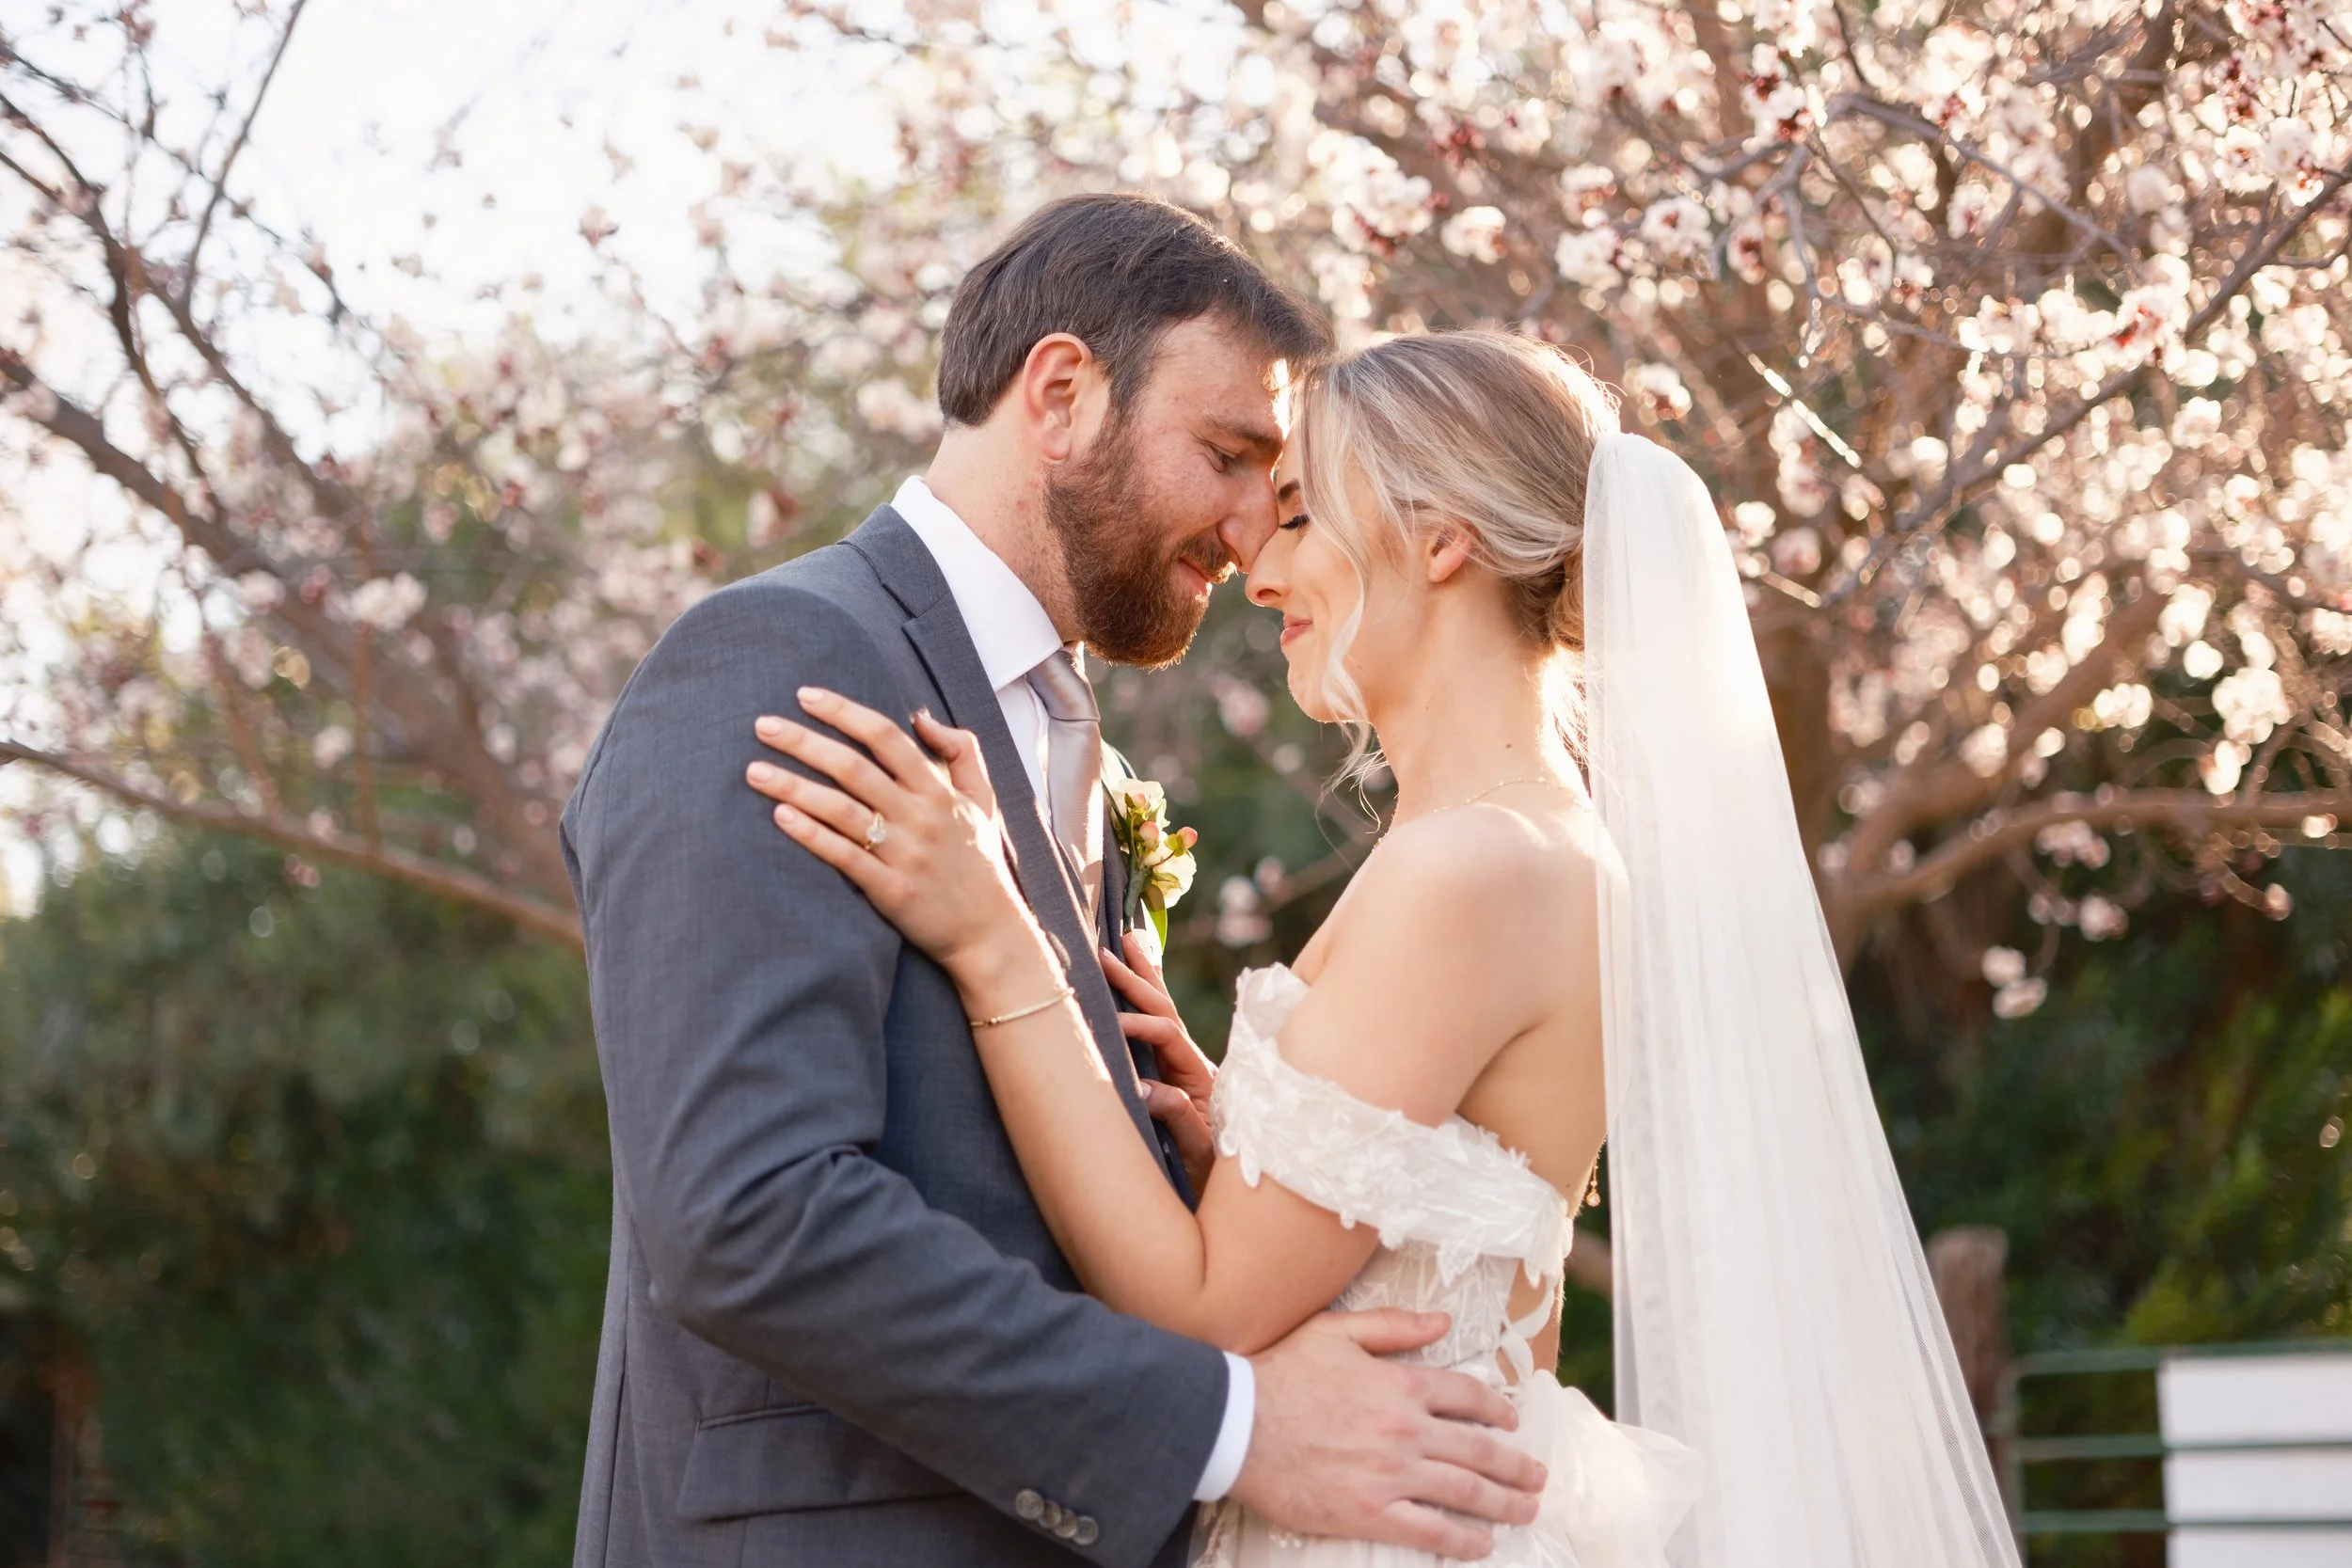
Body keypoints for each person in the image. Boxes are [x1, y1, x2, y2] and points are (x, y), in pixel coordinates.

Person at [750, 328, 2024, 1567]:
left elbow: (1198, 1308)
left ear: (1439, 538)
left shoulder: (1471, 869)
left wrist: (996, 939)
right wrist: (1248, 1130)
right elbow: (1412, 1202)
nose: (1259, 567)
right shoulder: (1532, 846)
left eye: (1299, 514)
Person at [560, 197, 1551, 1568]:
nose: (1259, 529)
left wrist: (1236, 1160)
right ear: (1065, 393)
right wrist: (1233, 1425)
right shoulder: (782, 662)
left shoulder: (1078, 740)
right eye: (1228, 453)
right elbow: (747, 1213)